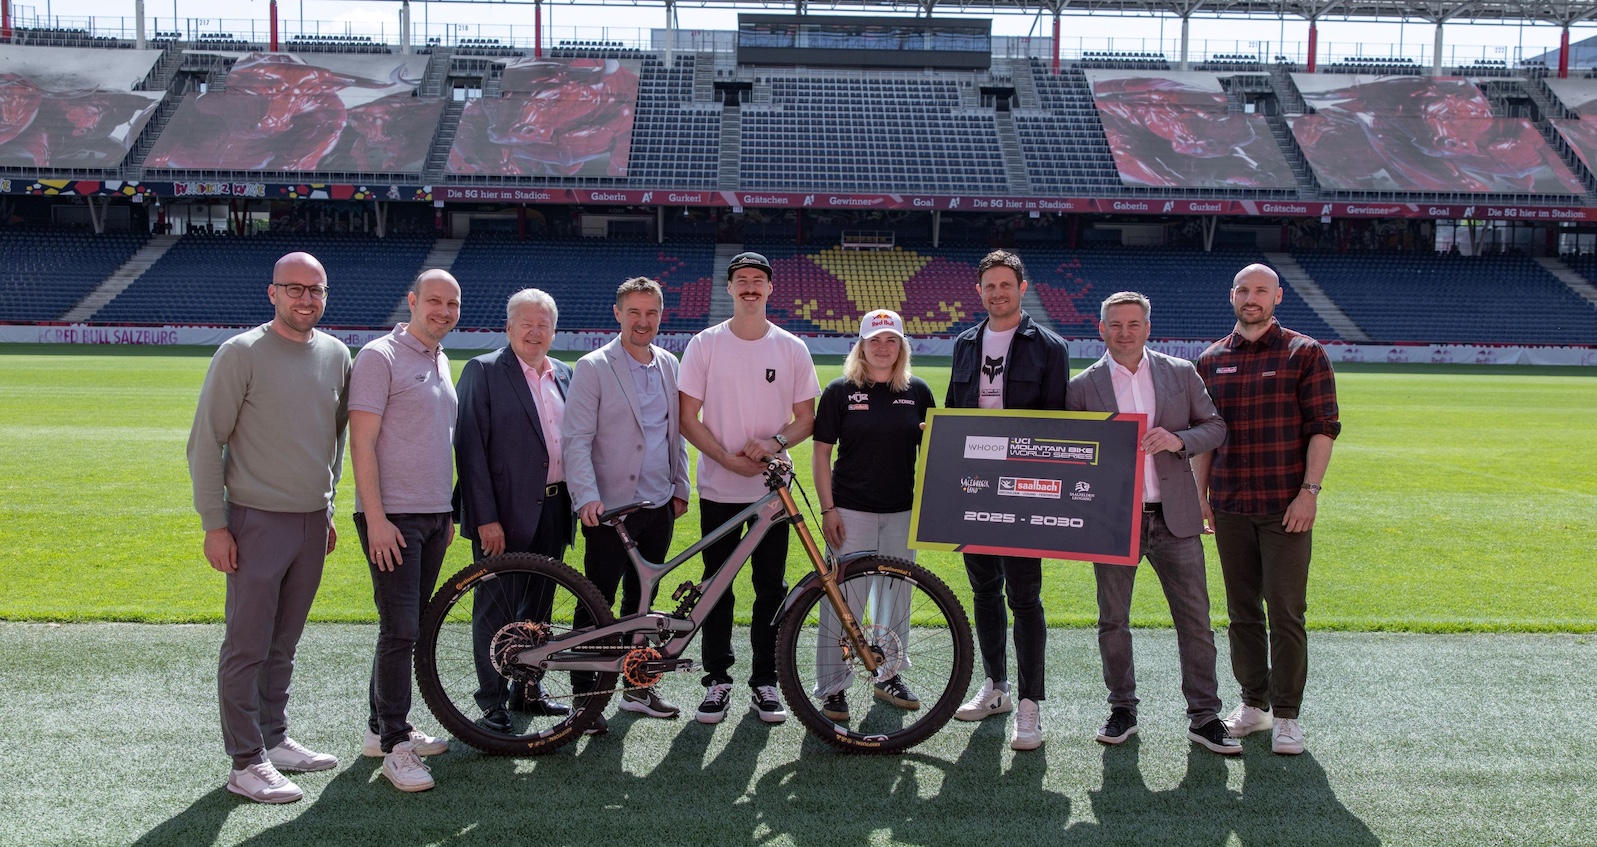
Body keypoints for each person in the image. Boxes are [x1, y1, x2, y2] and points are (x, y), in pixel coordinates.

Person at [186, 252, 351, 804]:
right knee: (247, 644)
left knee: (284, 642)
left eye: (317, 290)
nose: (307, 299)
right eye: (295, 289)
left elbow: (335, 442)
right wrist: (216, 523)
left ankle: (274, 740)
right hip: (255, 521)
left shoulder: (336, 354)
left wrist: (326, 508)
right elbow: (206, 441)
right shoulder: (241, 353)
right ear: (272, 293)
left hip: (310, 523)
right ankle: (244, 760)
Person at [1065, 291, 1238, 756]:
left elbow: (1215, 427)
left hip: (1175, 517)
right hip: (1114, 519)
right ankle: (1122, 708)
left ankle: (1204, 716)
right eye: (1115, 324)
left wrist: (1178, 439)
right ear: (1101, 329)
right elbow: (1068, 452)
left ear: (1147, 326)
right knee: (1113, 621)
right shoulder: (1082, 386)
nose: (1125, 332)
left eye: (1133, 323)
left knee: (1195, 621)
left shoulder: (1180, 373)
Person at [1194, 263, 1341, 756]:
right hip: (1231, 505)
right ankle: (1253, 705)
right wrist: (1200, 494)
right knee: (1241, 613)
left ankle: (1287, 715)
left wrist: (1310, 492)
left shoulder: (1305, 352)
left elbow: (1323, 427)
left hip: (1285, 506)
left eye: (1260, 290)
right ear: (1231, 295)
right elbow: (1207, 438)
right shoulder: (1211, 360)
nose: (1251, 298)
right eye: (1242, 289)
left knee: (1285, 612)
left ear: (1277, 295)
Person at [679, 251, 821, 725]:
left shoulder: (791, 348)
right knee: (715, 587)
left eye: (758, 280)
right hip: (719, 489)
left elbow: (806, 419)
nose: (750, 288)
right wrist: (726, 460)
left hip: (772, 493)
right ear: (730, 288)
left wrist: (774, 443)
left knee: (770, 587)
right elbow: (686, 417)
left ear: (770, 289)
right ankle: (717, 680)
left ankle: (765, 681)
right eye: (742, 280)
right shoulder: (705, 344)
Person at [945, 248, 1070, 751]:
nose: (997, 293)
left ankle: (1030, 706)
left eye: (1005, 285)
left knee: (1025, 595)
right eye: (989, 286)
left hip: (1023, 488)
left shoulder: (1050, 347)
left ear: (1022, 288)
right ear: (980, 292)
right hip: (974, 484)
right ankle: (996, 686)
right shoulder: (965, 343)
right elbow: (954, 416)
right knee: (983, 591)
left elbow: (1057, 425)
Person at [347, 269, 461, 793]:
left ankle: (381, 730)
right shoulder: (379, 357)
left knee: (403, 624)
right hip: (394, 517)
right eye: (434, 301)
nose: (442, 311)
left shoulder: (440, 359)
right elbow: (362, 443)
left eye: (452, 304)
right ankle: (396, 743)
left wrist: (449, 514)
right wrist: (375, 519)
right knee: (401, 630)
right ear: (412, 301)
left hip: (434, 516)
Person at [562, 276, 691, 721]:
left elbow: (675, 434)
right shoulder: (594, 366)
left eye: (650, 313)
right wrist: (586, 498)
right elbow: (575, 439)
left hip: (658, 506)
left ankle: (637, 690)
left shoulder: (671, 363)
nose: (642, 321)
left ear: (660, 315)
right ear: (617, 314)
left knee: (643, 604)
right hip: (610, 509)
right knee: (597, 602)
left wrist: (681, 485)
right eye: (633, 312)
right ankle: (586, 698)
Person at [454, 288, 578, 734]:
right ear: (508, 327)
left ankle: (527, 690)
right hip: (502, 515)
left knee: (538, 608)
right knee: (495, 609)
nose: (534, 330)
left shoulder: (566, 374)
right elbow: (469, 450)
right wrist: (485, 518)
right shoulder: (482, 371)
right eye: (526, 322)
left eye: (543, 323)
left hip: (555, 506)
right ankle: (490, 701)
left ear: (553, 330)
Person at [810, 309, 935, 721]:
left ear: (902, 347)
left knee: (896, 599)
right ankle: (833, 686)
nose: (883, 347)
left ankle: (889, 675)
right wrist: (828, 508)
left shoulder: (918, 391)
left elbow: (935, 453)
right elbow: (821, 453)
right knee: (843, 601)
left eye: (891, 340)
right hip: (850, 512)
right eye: (874, 340)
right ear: (861, 346)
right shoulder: (840, 391)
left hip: (902, 513)